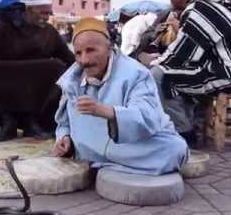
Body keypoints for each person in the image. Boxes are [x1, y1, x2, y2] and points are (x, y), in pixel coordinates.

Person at [53, 17, 188, 175]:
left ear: (109, 48)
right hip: (88, 145)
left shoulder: (136, 74)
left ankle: (100, 164)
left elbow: (147, 116)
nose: (84, 60)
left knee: (174, 150)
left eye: (91, 50)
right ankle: (106, 163)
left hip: (126, 145)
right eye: (78, 53)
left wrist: (106, 111)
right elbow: (64, 123)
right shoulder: (72, 80)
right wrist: (65, 138)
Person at [0, 0, 76, 142]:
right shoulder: (6, 27)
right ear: (28, 10)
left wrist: (85, 65)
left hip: (36, 80)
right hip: (9, 77)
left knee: (57, 68)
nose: (47, 17)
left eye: (49, 13)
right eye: (43, 13)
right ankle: (7, 121)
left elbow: (67, 57)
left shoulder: (49, 32)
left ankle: (32, 121)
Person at [144, 0, 231, 146]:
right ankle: (190, 124)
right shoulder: (209, 4)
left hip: (225, 73)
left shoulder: (200, 9)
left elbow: (181, 55)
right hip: (219, 68)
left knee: (158, 75)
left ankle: (184, 134)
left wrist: (152, 63)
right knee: (177, 74)